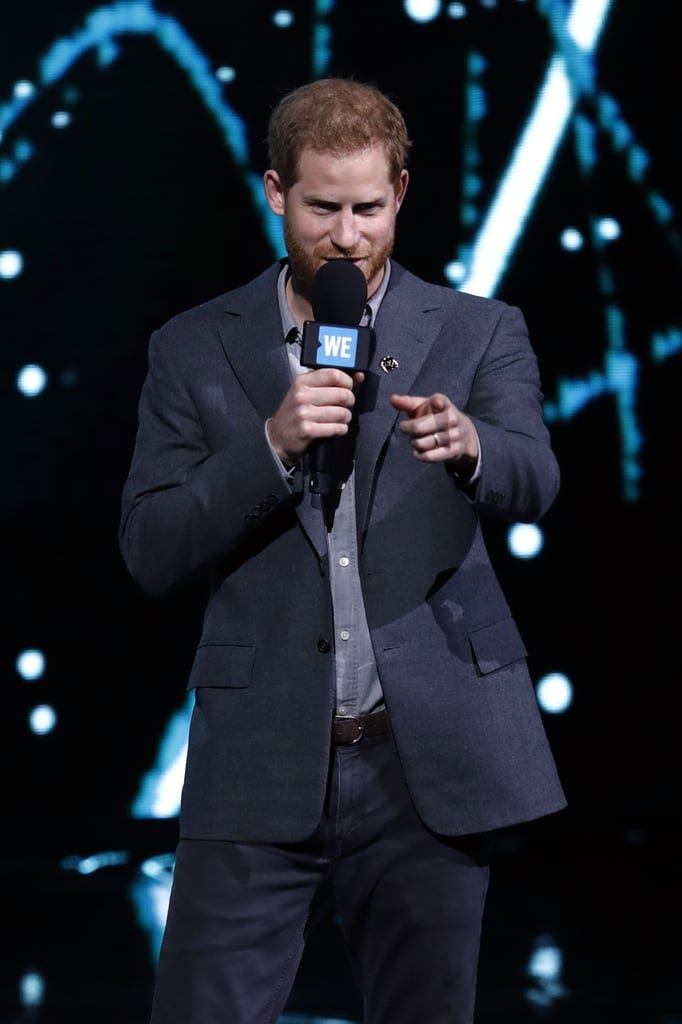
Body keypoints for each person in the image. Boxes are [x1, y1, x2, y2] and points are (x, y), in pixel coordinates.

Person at [119, 77, 566, 1024]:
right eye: (323, 208)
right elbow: (150, 545)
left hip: (428, 756)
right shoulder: (194, 347)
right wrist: (269, 447)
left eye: (369, 207)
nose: (349, 236)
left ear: (401, 192)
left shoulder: (481, 332)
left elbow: (536, 478)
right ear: (277, 192)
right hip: (260, 754)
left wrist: (474, 444)